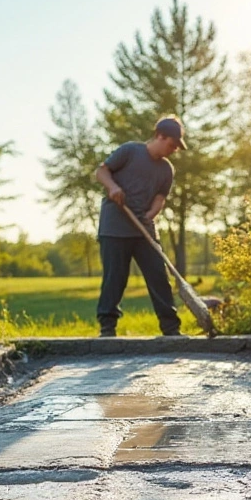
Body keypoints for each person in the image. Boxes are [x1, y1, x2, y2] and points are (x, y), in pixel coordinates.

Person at [93, 115, 187, 337]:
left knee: (158, 276)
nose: (173, 150)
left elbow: (160, 198)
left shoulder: (167, 170)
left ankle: (171, 328)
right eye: (172, 145)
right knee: (115, 278)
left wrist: (150, 214)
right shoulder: (130, 151)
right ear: (159, 136)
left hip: (144, 229)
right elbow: (101, 171)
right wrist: (113, 187)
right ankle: (108, 328)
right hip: (114, 227)